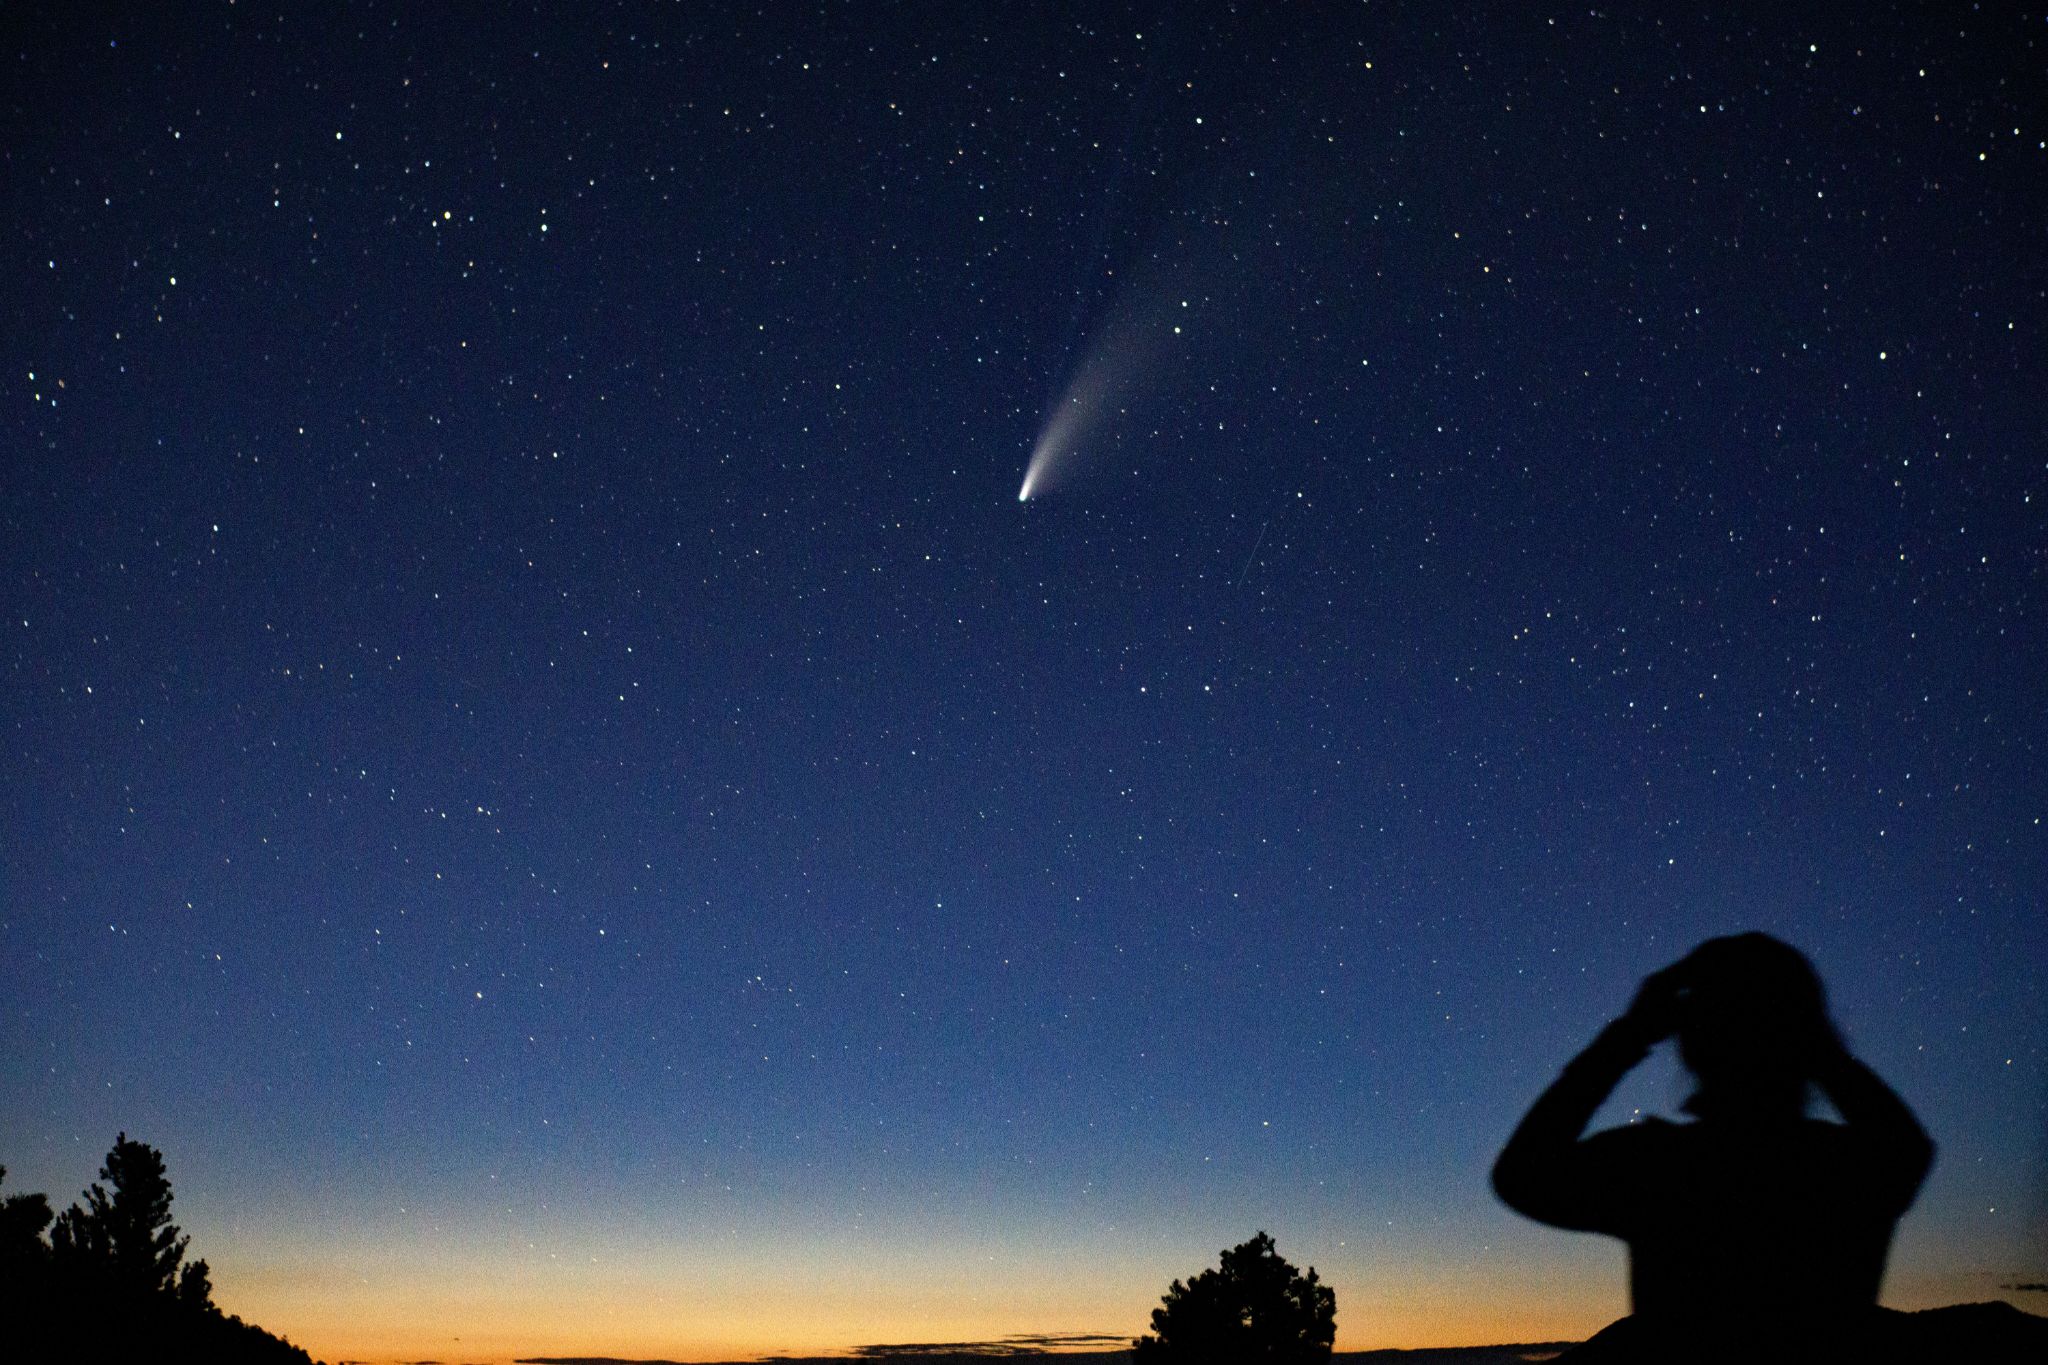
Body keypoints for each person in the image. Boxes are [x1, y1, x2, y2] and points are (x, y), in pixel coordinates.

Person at [1492, 933, 1935, 1362]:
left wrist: (1629, 1035)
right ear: (1805, 1034)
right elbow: (1905, 1147)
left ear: (1691, 1041)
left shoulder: (1660, 1168)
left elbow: (1522, 1174)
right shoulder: (1842, 1167)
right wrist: (1815, 1043)